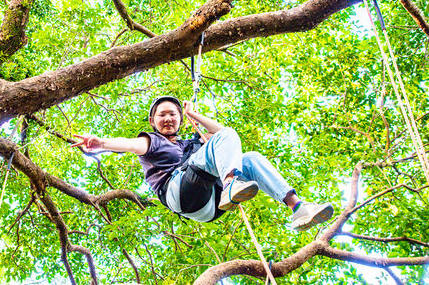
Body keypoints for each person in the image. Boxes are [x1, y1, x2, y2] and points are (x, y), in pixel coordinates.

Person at [72, 96, 333, 230]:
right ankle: (231, 185)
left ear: (179, 119)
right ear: (153, 121)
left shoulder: (191, 144)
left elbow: (222, 134)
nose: (167, 119)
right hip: (180, 194)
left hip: (210, 206)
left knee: (250, 158)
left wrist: (193, 114)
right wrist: (102, 143)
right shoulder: (152, 141)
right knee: (225, 136)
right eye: (161, 115)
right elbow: (131, 145)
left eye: (172, 115)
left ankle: (298, 207)